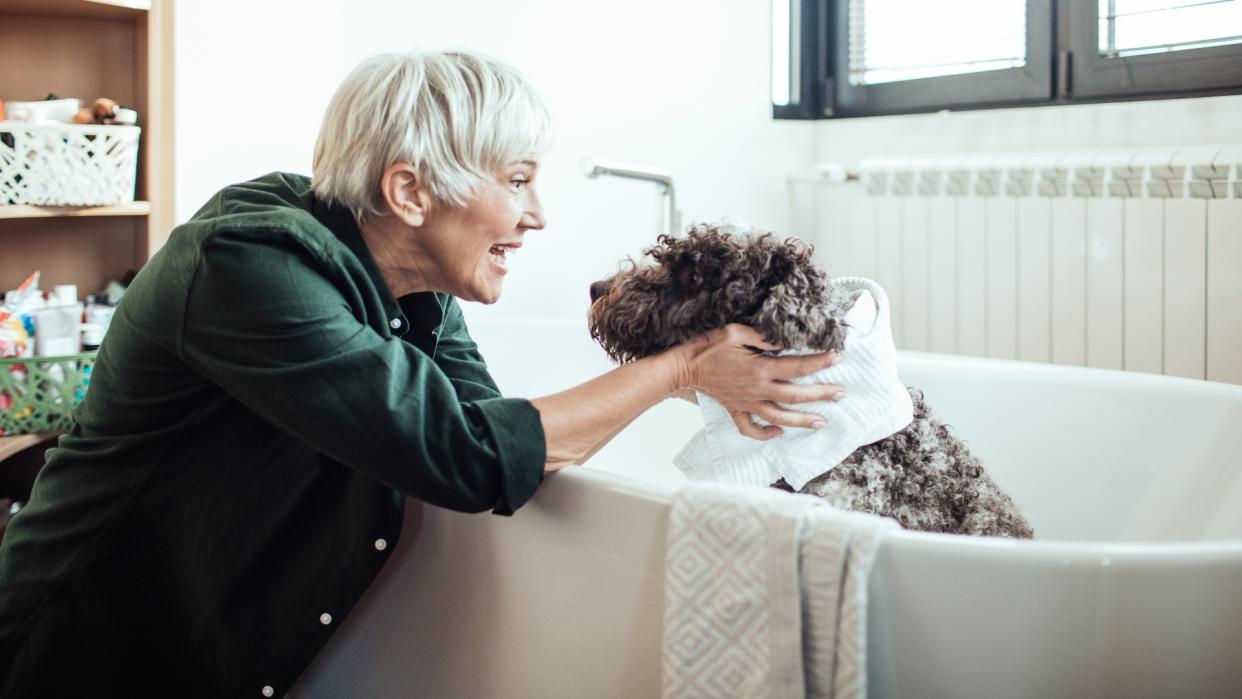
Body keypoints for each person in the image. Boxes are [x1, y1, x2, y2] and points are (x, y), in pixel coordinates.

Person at [0, 50, 840, 696]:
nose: (537, 215)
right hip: (77, 654)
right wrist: (683, 367)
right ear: (407, 191)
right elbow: (471, 455)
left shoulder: (416, 291)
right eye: (516, 181)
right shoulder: (248, 267)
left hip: (203, 651)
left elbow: (503, 435)